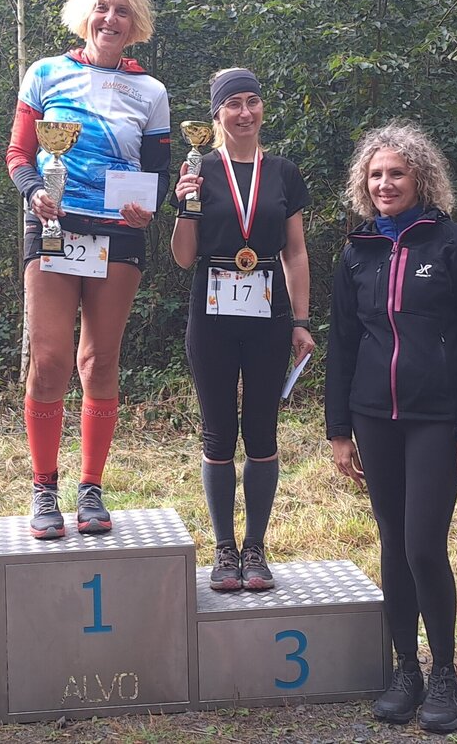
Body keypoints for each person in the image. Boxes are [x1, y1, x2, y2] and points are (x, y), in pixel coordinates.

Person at [324, 121, 457, 733]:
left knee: (423, 545)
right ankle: (407, 671)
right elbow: (343, 344)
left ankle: (445, 673)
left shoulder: (455, 246)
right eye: (375, 174)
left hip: (436, 418)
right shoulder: (358, 251)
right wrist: (338, 429)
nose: (385, 184)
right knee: (393, 544)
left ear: (420, 178)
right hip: (373, 417)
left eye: (396, 173)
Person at [6, 0, 171, 538]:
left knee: (99, 362)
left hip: (118, 235)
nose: (110, 18)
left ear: (135, 23)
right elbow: (19, 153)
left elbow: (157, 172)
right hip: (54, 227)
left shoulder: (150, 91)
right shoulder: (45, 73)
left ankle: (91, 487)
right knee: (50, 360)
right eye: (102, 7)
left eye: (122, 11)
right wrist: (33, 191)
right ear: (84, 15)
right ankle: (43, 487)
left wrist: (149, 207)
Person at [170, 68, 315, 591]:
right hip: (211, 311)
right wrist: (186, 206)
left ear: (262, 109)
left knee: (261, 430)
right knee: (217, 432)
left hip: (269, 311)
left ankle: (255, 547)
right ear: (217, 114)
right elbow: (183, 257)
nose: (245, 112)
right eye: (233, 104)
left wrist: (301, 320)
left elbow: (295, 252)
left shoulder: (283, 173)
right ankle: (224, 549)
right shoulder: (199, 168)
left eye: (252, 101)